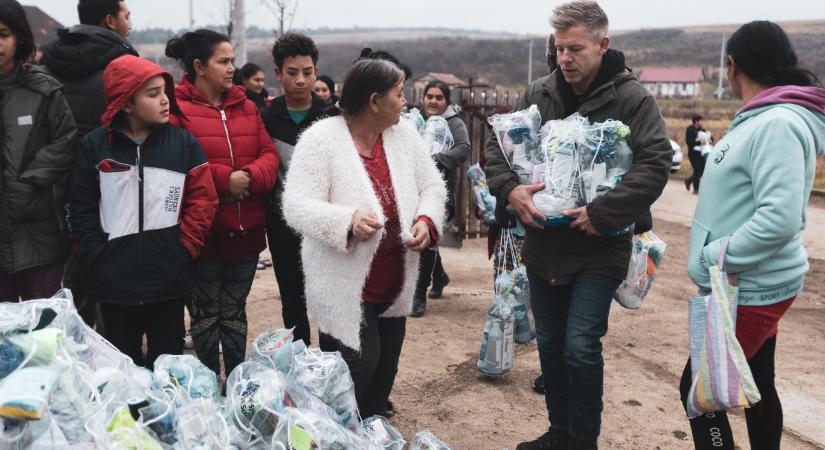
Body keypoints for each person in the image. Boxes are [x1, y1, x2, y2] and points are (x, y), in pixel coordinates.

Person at [483, 2, 672, 449]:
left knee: (580, 345)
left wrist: (605, 212)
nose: (565, 58)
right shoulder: (539, 93)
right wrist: (510, 189)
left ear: (602, 45)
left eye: (575, 48)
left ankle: (583, 439)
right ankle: (559, 431)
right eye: (559, 48)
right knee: (549, 343)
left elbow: (656, 160)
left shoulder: (631, 99)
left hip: (600, 245)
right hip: (544, 242)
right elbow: (498, 148)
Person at [680, 21, 825, 450]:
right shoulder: (763, 118)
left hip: (750, 284)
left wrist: (715, 255)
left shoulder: (777, 123)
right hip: (744, 283)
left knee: (698, 391)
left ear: (732, 66)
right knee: (758, 384)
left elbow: (778, 218)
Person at [282, 57, 446, 418]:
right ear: (375, 100)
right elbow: (295, 205)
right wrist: (346, 220)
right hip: (343, 283)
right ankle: (335, 432)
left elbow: (432, 185)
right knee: (357, 366)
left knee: (385, 369)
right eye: (399, 94)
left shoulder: (403, 136)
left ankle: (371, 431)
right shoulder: (320, 139)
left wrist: (426, 219)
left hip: (393, 279)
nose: (405, 102)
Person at [64, 55, 218, 368]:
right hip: (113, 282)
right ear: (126, 104)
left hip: (169, 278)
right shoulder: (94, 147)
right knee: (122, 365)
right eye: (152, 94)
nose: (165, 100)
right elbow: (80, 204)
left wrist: (184, 247)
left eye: (164, 92)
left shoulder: (182, 143)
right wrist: (95, 252)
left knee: (167, 365)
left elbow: (203, 199)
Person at [166, 29, 279, 379]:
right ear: (199, 66)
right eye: (223, 61)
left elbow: (269, 156)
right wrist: (223, 180)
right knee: (203, 316)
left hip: (245, 232)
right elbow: (174, 164)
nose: (232, 68)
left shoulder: (246, 105)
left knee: (233, 311)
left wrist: (248, 177)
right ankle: (206, 387)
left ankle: (235, 382)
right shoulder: (177, 109)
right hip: (203, 235)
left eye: (232, 60)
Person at [39, 0, 138, 327]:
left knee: (67, 272)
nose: (130, 22)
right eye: (126, 15)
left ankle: (72, 338)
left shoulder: (46, 62)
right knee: (114, 272)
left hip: (52, 183)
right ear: (110, 20)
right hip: (112, 181)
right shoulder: (124, 64)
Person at [0, 0, 77, 302]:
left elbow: (66, 140)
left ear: (19, 37)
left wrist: (29, 180)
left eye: (3, 34)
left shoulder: (42, 90)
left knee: (42, 332)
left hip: (38, 231)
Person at [261, 32, 326, 345]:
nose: (301, 80)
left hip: (324, 225)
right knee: (292, 297)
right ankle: (300, 363)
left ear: (315, 71)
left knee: (328, 298)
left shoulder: (331, 116)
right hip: (282, 223)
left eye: (308, 72)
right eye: (292, 72)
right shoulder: (265, 119)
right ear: (278, 74)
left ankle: (331, 368)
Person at [411, 81, 471, 317]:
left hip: (439, 191)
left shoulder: (453, 122)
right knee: (422, 239)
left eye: (439, 97)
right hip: (411, 190)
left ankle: (418, 295)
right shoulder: (414, 119)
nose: (433, 101)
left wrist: (436, 160)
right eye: (430, 96)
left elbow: (464, 148)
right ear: (423, 99)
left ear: (446, 101)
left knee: (427, 243)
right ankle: (440, 276)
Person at [683, 115, 709, 194]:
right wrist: (699, 142)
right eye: (701, 121)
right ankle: (696, 189)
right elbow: (689, 142)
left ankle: (688, 180)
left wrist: (710, 140)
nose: (703, 122)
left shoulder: (702, 130)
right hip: (693, 154)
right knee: (697, 169)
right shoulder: (690, 129)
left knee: (702, 170)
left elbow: (710, 138)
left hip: (701, 153)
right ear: (696, 121)